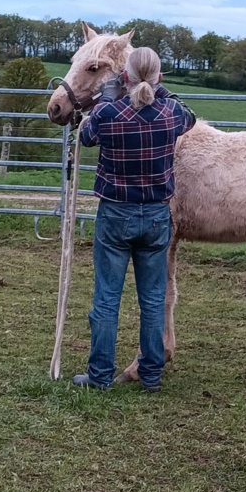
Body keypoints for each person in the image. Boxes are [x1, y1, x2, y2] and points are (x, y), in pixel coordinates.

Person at [72, 47, 196, 393]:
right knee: (154, 299)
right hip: (156, 214)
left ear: (123, 76)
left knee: (107, 299)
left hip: (115, 213)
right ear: (158, 77)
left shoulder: (109, 113)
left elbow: (85, 137)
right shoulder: (171, 113)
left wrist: (106, 98)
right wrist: (162, 91)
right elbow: (191, 118)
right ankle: (151, 375)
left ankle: (99, 376)